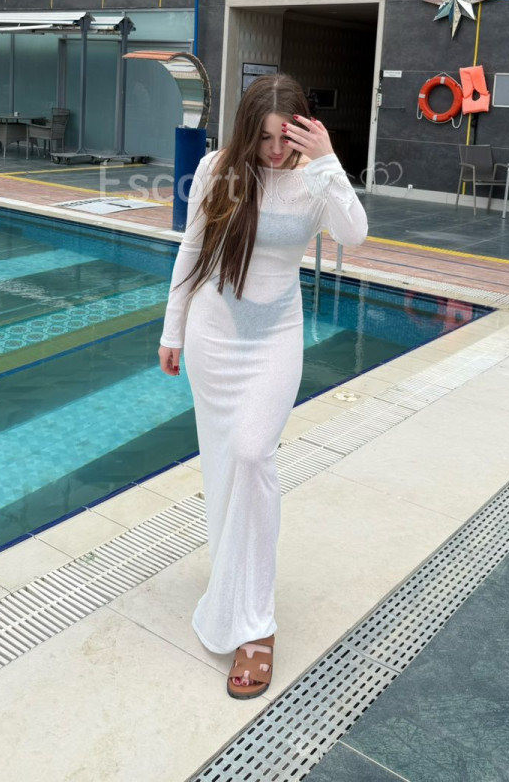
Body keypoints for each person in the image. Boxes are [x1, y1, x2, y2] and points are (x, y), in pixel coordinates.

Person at [158, 73, 368, 699]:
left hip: (274, 337)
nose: (275, 151)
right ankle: (232, 583)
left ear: (304, 130)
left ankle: (255, 627)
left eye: (286, 138)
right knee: (224, 468)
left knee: (252, 456)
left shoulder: (316, 178)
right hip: (213, 337)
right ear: (247, 129)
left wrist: (327, 160)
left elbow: (355, 233)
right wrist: (173, 330)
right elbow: (192, 251)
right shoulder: (217, 170)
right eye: (265, 138)